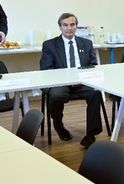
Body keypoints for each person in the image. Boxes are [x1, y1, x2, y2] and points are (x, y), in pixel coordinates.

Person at [39, 13, 103, 148]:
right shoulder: (50, 45)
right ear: (60, 27)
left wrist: (82, 79)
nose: (69, 28)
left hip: (82, 82)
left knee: (95, 93)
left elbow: (93, 65)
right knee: (57, 95)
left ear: (76, 26)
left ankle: (91, 134)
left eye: (72, 24)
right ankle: (58, 125)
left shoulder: (86, 43)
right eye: (65, 25)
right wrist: (68, 80)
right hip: (60, 82)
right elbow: (46, 70)